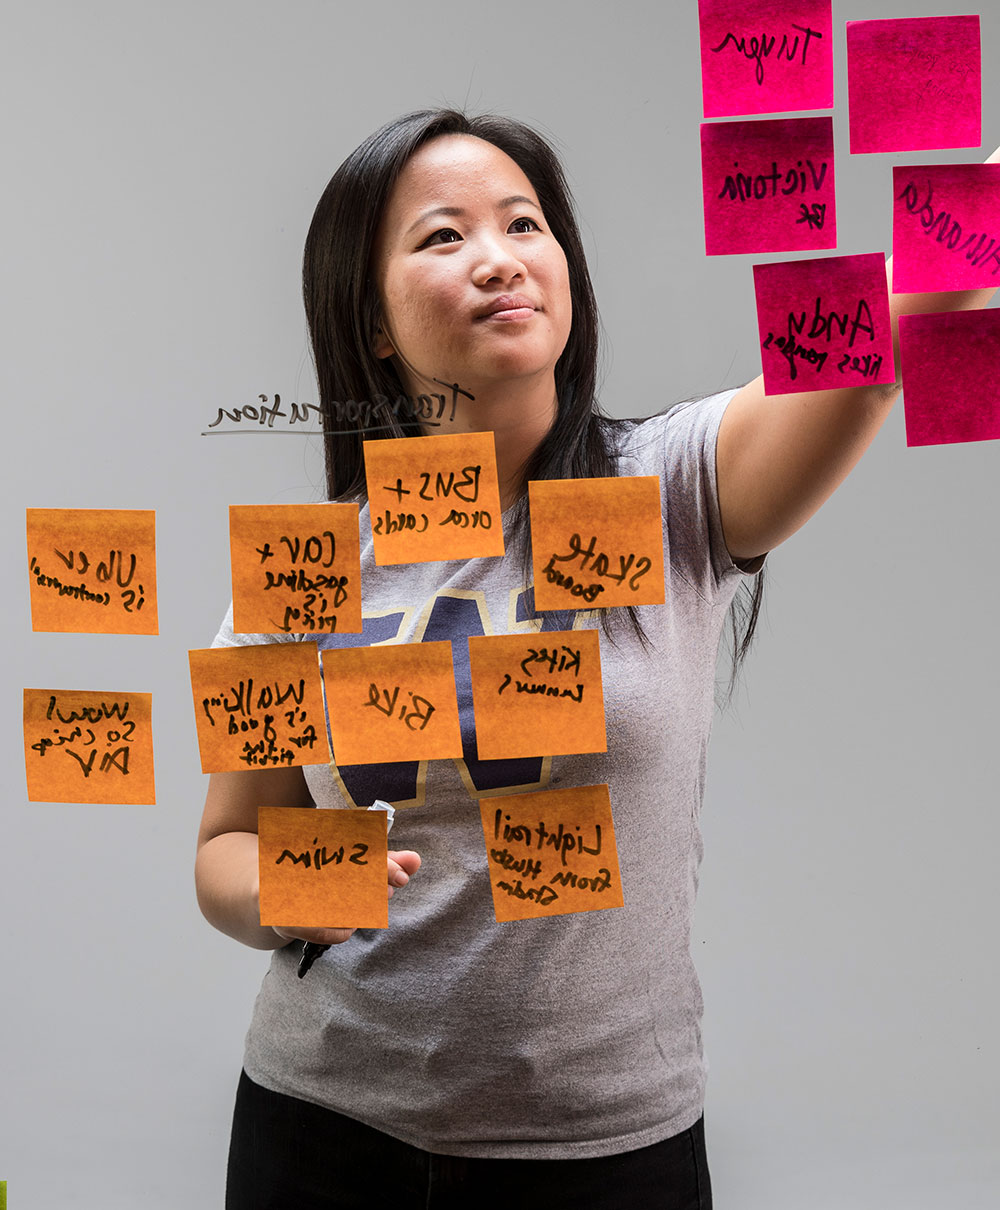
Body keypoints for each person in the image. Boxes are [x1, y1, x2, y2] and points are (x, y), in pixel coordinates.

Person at [195, 109, 998, 1209]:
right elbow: (227, 848)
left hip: (606, 1152)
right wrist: (297, 884)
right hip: (322, 1132)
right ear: (371, 322)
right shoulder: (301, 566)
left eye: (524, 223)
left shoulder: (670, 488)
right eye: (441, 237)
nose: (497, 257)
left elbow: (875, 341)